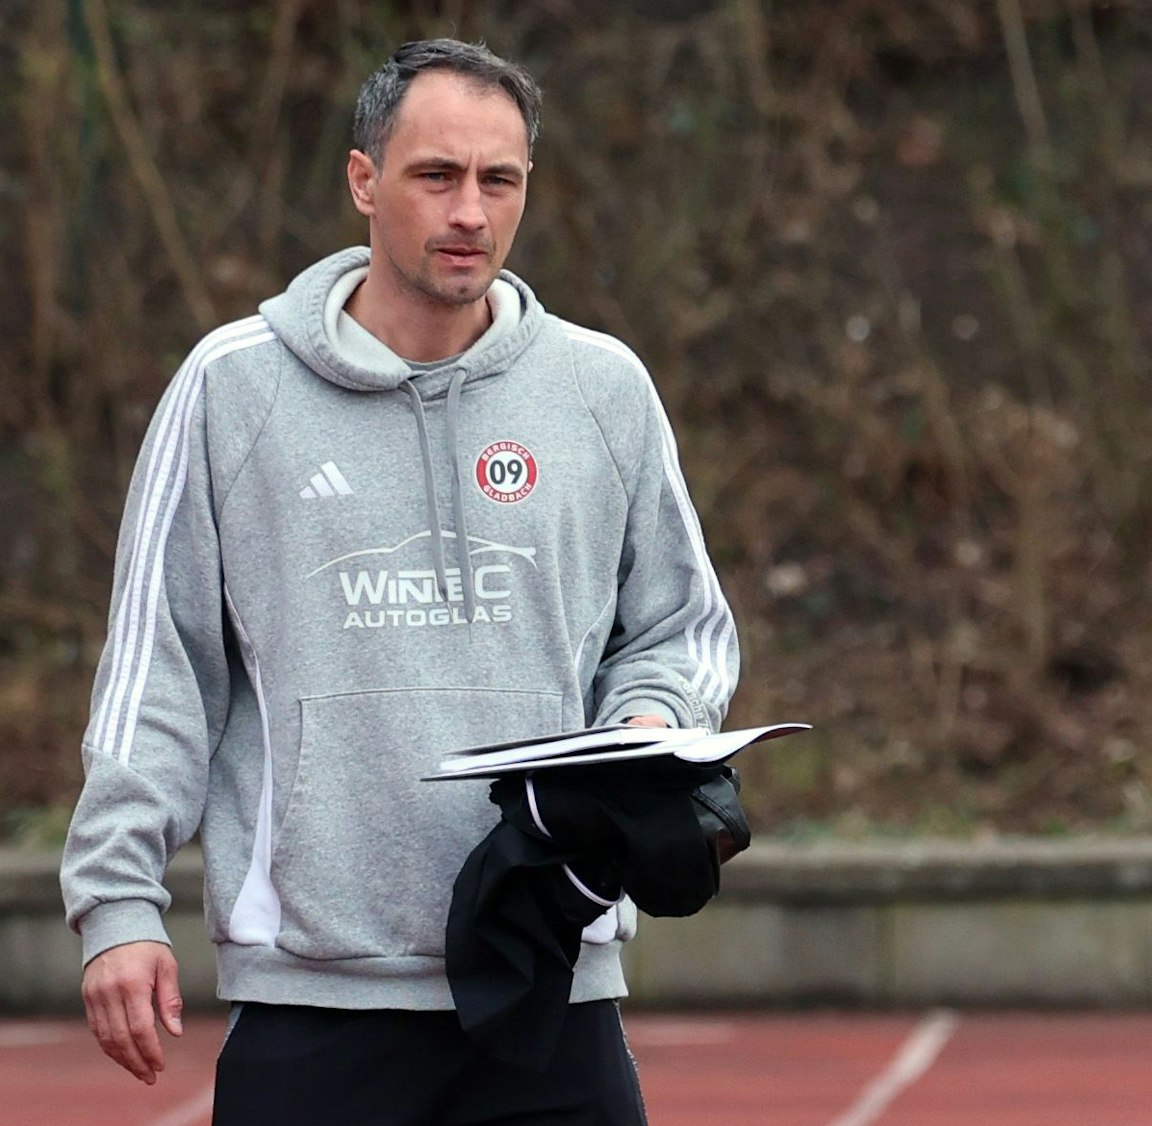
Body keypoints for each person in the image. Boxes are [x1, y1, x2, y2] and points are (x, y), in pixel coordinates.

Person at [59, 38, 737, 1124]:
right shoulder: (233, 387)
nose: (469, 210)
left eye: (498, 180)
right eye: (436, 175)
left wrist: (646, 723)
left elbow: (678, 628)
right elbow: (159, 674)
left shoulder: (601, 389)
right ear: (364, 181)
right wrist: (118, 900)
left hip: (550, 970)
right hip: (317, 1001)